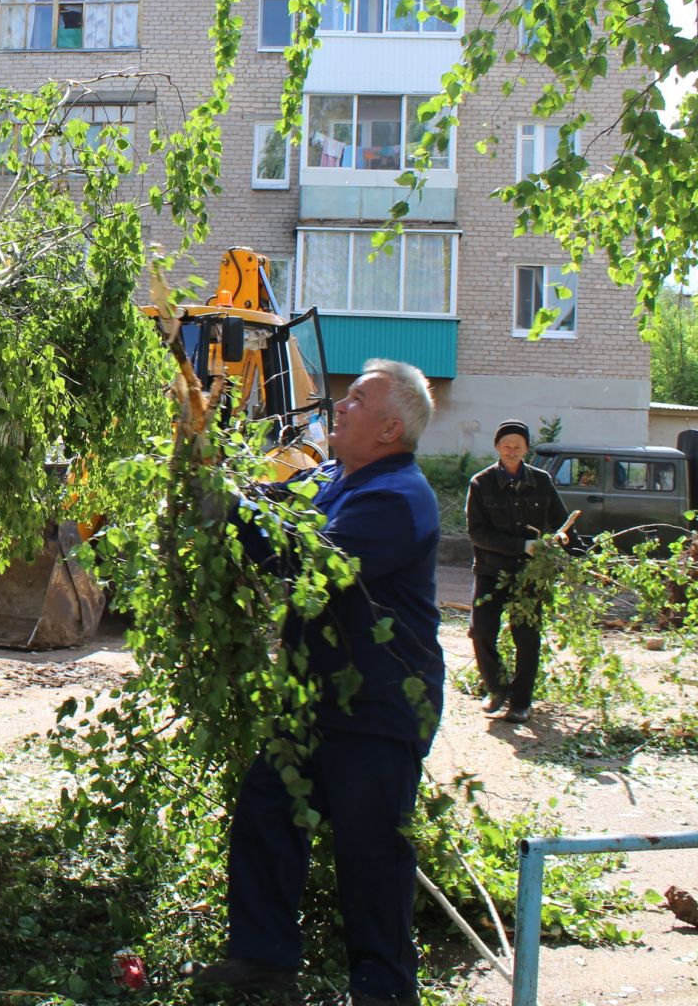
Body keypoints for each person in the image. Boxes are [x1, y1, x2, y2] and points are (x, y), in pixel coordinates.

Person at [195, 360, 443, 1006]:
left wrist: (229, 509)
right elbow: (276, 501)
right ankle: (263, 957)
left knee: (372, 859)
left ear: (390, 429)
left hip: (379, 708)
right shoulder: (335, 477)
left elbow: (305, 560)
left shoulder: (397, 499)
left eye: (357, 400)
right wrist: (224, 478)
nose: (341, 405)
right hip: (313, 700)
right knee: (266, 815)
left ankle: (385, 992)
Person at [464, 420, 570, 724]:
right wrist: (522, 546)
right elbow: (477, 534)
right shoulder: (481, 483)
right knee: (481, 629)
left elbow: (560, 522)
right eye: (506, 446)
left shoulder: (542, 481)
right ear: (497, 447)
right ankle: (497, 688)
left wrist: (564, 543)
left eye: (518, 447)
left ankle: (522, 702)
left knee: (527, 636)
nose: (511, 452)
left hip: (528, 574)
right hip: (490, 570)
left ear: (526, 450)